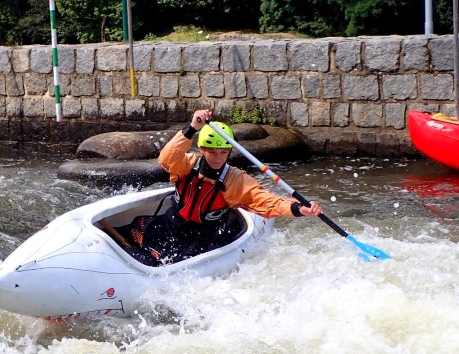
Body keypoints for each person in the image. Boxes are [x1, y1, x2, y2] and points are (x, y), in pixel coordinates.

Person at [129, 108, 323, 264]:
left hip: (203, 236)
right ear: (203, 149)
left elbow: (265, 202)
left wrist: (297, 208)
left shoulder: (235, 180)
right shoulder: (187, 164)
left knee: (174, 260)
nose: (218, 158)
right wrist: (192, 127)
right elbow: (166, 158)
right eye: (212, 151)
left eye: (223, 152)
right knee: (135, 227)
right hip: (174, 224)